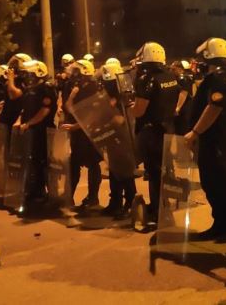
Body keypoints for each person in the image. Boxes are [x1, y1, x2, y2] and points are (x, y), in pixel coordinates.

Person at [184, 38, 226, 243]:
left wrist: (195, 132)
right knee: (213, 185)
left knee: (225, 186)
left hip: (220, 142)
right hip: (216, 141)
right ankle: (220, 224)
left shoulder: (220, 78)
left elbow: (214, 108)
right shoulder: (220, 76)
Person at [131, 42, 179, 225]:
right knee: (162, 170)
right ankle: (163, 206)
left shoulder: (147, 79)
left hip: (151, 132)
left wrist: (130, 107)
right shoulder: (170, 76)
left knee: (154, 172)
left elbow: (139, 111)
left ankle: (158, 211)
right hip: (167, 128)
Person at [15, 60, 57, 212]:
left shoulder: (46, 88)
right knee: (35, 161)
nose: (28, 77)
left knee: (45, 163)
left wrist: (29, 123)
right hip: (31, 130)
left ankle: (51, 196)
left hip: (43, 130)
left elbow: (45, 111)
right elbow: (25, 109)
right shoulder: (31, 89)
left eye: (30, 74)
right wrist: (20, 121)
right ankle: (37, 191)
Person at [62, 59, 103, 211]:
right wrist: (72, 95)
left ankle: (93, 197)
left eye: (76, 71)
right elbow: (68, 107)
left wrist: (76, 126)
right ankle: (69, 196)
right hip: (78, 133)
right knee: (74, 164)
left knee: (93, 164)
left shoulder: (94, 87)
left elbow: (94, 114)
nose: (74, 74)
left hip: (89, 132)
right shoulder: (77, 87)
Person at [100, 61, 138, 218]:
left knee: (125, 173)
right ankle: (115, 202)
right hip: (113, 138)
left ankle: (130, 203)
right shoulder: (112, 94)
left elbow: (121, 119)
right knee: (115, 172)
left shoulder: (124, 96)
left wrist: (106, 124)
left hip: (122, 138)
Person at [171, 60, 194, 136]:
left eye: (173, 69)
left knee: (182, 129)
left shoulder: (183, 78)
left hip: (184, 107)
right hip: (184, 106)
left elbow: (183, 93)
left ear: (180, 69)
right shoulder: (179, 78)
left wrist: (178, 108)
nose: (171, 71)